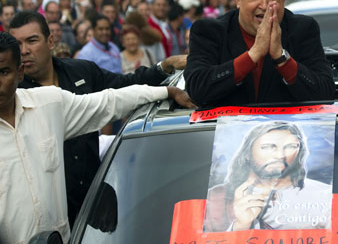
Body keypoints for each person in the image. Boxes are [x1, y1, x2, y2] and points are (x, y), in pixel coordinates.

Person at [0, 31, 193, 244]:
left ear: (19, 73)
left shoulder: (48, 105)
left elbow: (108, 102)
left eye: (4, 72)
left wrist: (166, 92)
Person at [184, 0, 335, 108]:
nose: (264, 5)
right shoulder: (209, 31)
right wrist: (253, 55)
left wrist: (281, 58)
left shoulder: (303, 29)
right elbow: (197, 90)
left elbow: (325, 93)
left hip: (287, 131)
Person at [204, 120, 331, 232]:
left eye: (291, 147)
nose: (280, 155)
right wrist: (241, 225)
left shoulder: (324, 195)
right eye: (268, 147)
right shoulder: (215, 198)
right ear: (247, 153)